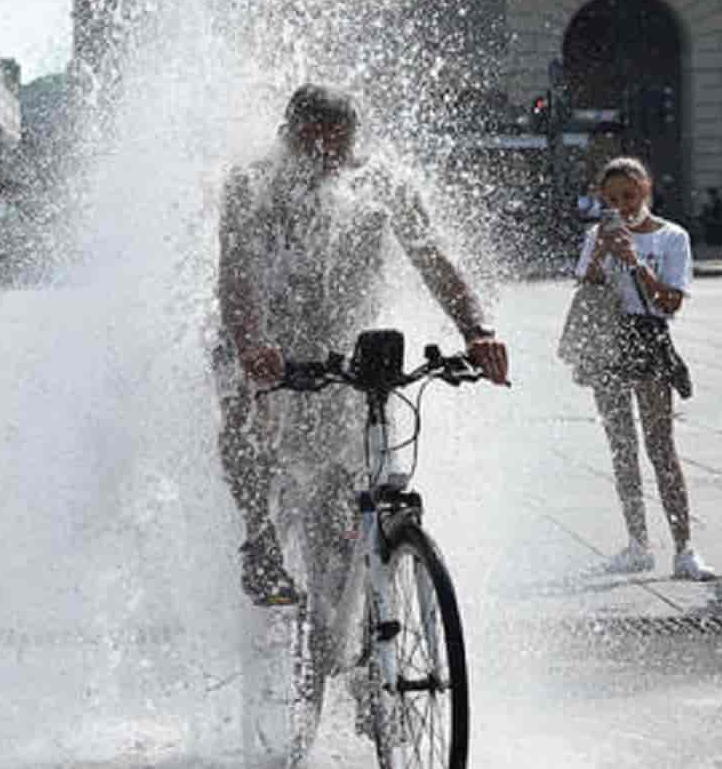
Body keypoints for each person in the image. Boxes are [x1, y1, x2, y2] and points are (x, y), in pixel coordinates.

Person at [215, 83, 509, 606]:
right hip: (266, 338)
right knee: (242, 407)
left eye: (338, 144)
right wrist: (250, 346)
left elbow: (432, 259)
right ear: (287, 137)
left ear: (354, 141)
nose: (326, 157)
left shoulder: (379, 181)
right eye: (311, 144)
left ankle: (359, 613)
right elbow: (236, 277)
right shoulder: (252, 183)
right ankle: (259, 542)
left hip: (341, 340)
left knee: (352, 475)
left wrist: (476, 330)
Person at [575, 156, 714, 581]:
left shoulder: (672, 238)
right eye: (613, 198)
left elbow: (671, 302)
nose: (624, 205)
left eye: (630, 195)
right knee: (621, 446)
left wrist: (635, 263)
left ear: (647, 189)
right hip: (607, 343)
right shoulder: (596, 234)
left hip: (648, 341)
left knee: (660, 446)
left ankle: (684, 548)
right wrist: (601, 250)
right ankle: (637, 544)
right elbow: (586, 287)